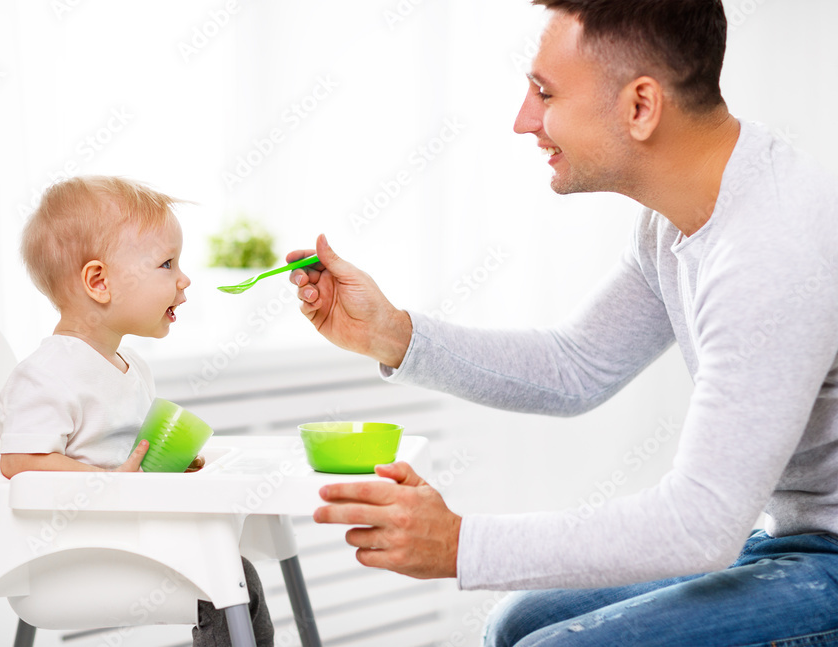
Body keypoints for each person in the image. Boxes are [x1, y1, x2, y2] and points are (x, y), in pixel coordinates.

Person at [287, 1, 838, 645]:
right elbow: (576, 366)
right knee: (518, 624)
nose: (524, 122)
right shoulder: (678, 216)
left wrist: (460, 543)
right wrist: (393, 333)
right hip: (789, 540)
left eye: (544, 94)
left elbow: (699, 524)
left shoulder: (770, 245)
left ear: (640, 107)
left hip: (818, 557)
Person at [0, 176, 274, 647]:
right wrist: (113, 484)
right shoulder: (48, 374)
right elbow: (20, 464)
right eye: (167, 263)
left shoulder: (131, 368)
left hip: (128, 535)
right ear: (99, 282)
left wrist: (165, 468)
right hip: (79, 552)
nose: (184, 279)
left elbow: (122, 456)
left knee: (235, 569)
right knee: (229, 574)